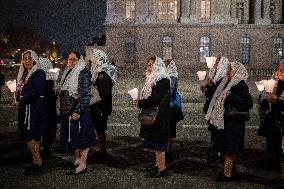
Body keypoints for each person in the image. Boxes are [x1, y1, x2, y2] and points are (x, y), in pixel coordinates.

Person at [205, 61, 253, 182]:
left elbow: (248, 103)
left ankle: (227, 175)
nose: (227, 71)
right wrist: (210, 85)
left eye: (230, 69)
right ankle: (232, 172)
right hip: (226, 121)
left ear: (236, 71)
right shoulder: (225, 82)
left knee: (230, 149)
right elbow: (214, 95)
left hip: (234, 122)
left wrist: (232, 96)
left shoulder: (240, 84)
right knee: (227, 148)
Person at [58, 51, 96, 175]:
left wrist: (78, 110)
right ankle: (78, 161)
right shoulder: (68, 72)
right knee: (74, 138)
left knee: (82, 138)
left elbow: (85, 95)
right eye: (69, 59)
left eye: (74, 59)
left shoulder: (83, 72)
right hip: (69, 111)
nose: (71, 62)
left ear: (79, 60)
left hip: (79, 111)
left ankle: (82, 165)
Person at [135, 56, 171, 178]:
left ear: (158, 66)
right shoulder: (153, 78)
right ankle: (157, 165)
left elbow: (155, 99)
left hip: (159, 117)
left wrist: (140, 102)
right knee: (155, 143)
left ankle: (162, 169)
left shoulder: (163, 79)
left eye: (152, 65)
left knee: (159, 143)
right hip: (155, 115)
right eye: (148, 65)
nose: (149, 67)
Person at [15, 50, 48, 175]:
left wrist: (21, 99)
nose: (27, 61)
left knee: (29, 135)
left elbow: (37, 92)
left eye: (29, 58)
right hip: (28, 107)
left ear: (34, 59)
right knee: (33, 135)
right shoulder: (26, 73)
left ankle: (38, 162)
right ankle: (36, 161)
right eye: (24, 58)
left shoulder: (38, 73)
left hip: (34, 108)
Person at [85, 48, 116, 162]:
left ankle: (102, 151)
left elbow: (104, 91)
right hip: (97, 105)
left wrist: (93, 87)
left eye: (93, 58)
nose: (91, 60)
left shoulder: (102, 73)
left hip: (101, 106)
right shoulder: (96, 72)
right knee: (98, 129)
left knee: (100, 129)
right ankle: (100, 150)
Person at [262, 59, 284, 184]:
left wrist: (278, 102)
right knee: (279, 151)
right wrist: (266, 100)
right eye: (279, 69)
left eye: (282, 70)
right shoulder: (277, 84)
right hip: (277, 122)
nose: (279, 72)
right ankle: (281, 175)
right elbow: (266, 102)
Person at [164, 59, 184, 163]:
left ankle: (167, 152)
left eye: (166, 64)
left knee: (169, 130)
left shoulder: (171, 76)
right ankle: (167, 151)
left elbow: (170, 91)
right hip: (171, 106)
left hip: (170, 106)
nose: (165, 66)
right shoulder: (172, 75)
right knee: (170, 131)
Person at [37, 57, 57, 159]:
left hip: (46, 110)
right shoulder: (51, 80)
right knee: (48, 130)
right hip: (50, 111)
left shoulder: (46, 81)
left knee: (46, 130)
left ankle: (46, 149)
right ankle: (47, 147)